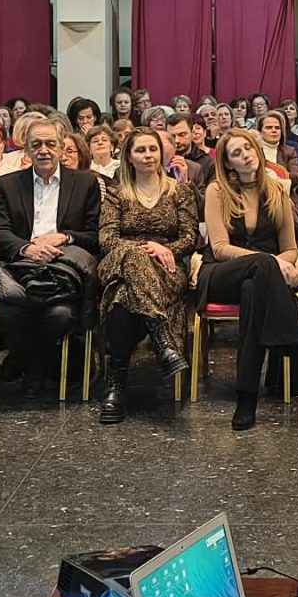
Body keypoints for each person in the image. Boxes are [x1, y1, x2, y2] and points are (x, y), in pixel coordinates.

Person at [199, 129, 298, 430]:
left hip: (260, 280)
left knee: (253, 291)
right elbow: (220, 248)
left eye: (248, 148)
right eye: (236, 153)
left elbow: (290, 249)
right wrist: (272, 262)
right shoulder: (217, 191)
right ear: (227, 164)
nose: (246, 155)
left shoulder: (277, 189)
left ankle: (246, 399)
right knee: (261, 268)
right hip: (222, 274)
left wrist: (275, 262)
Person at [0, 120, 101, 398]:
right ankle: (41, 364)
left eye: (51, 144)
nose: (44, 150)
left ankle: (31, 367)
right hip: (21, 266)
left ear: (62, 148)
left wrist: (64, 237)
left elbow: (94, 235)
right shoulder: (7, 185)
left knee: (59, 315)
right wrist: (26, 248)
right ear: (26, 150)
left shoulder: (85, 183)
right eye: (36, 144)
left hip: (64, 268)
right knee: (7, 312)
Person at [96, 128, 198, 424]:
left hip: (168, 268)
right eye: (140, 150)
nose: (148, 155)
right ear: (128, 156)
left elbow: (189, 237)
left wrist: (164, 248)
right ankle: (162, 339)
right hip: (119, 263)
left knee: (121, 300)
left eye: (152, 149)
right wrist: (144, 249)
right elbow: (107, 239)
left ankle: (115, 384)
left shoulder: (180, 191)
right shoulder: (115, 194)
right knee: (134, 260)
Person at [166, 113, 215, 187]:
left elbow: (208, 193)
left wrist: (187, 183)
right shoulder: (162, 161)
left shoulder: (208, 164)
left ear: (192, 133)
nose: (177, 140)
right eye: (172, 136)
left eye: (182, 135)